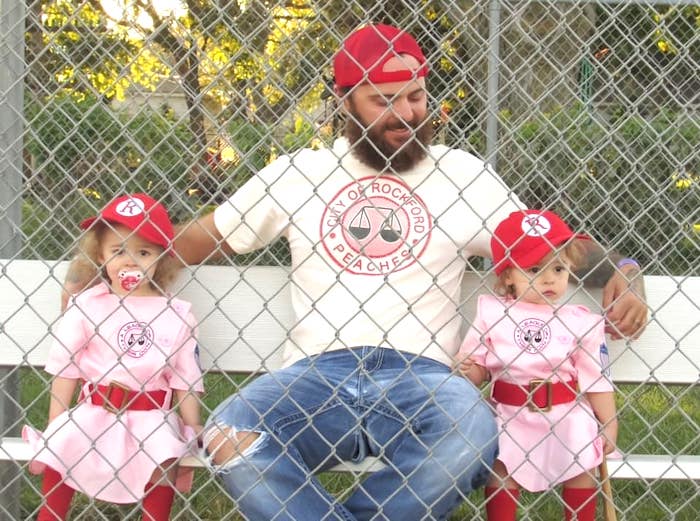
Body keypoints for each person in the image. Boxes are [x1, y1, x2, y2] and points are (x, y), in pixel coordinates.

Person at [61, 24, 646, 520]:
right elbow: (194, 239)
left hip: (426, 379)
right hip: (314, 376)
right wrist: (90, 267)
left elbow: (547, 248)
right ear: (347, 102)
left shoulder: (463, 175)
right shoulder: (300, 173)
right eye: (383, 100)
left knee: (472, 438)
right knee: (226, 438)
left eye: (415, 97)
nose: (406, 115)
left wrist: (627, 267)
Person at [24, 194, 204, 521]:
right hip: (94, 408)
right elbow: (67, 367)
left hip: (151, 415)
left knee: (164, 454)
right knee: (62, 444)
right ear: (100, 255)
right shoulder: (88, 305)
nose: (130, 261)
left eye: (144, 252)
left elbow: (185, 377)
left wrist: (192, 424)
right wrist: (56, 421)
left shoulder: (176, 314)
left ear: (162, 258)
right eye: (117, 250)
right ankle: (50, 516)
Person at [455, 209, 618, 521]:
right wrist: (468, 370)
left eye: (558, 268)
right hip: (509, 412)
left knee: (582, 462)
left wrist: (609, 422)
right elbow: (480, 367)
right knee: (502, 466)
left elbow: (594, 378)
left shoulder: (579, 322)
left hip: (566, 412)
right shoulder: (493, 314)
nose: (549, 278)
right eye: (533, 268)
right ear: (508, 277)